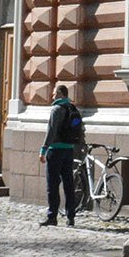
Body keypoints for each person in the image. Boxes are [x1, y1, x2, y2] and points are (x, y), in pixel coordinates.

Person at [38, 85, 82, 227]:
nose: (52, 95)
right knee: (69, 184)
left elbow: (51, 131)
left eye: (54, 92)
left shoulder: (56, 109)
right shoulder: (73, 109)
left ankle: (52, 216)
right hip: (69, 150)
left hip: (55, 150)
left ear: (59, 93)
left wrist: (43, 150)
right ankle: (70, 217)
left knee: (52, 185)